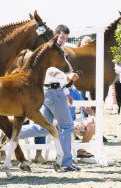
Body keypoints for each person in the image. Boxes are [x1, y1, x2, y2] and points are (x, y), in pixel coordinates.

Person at [18, 24, 81, 172]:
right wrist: (66, 76)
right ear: (55, 35)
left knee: (42, 128)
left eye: (66, 38)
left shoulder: (57, 50)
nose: (63, 40)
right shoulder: (51, 51)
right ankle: (66, 163)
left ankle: (11, 133)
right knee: (67, 126)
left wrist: (66, 92)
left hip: (51, 91)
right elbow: (51, 72)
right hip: (53, 92)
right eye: (61, 37)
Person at [68, 86, 95, 158]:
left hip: (73, 121)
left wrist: (93, 115)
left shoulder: (73, 89)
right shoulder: (55, 90)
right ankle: (64, 154)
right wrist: (70, 123)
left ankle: (81, 150)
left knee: (92, 123)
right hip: (60, 121)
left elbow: (84, 106)